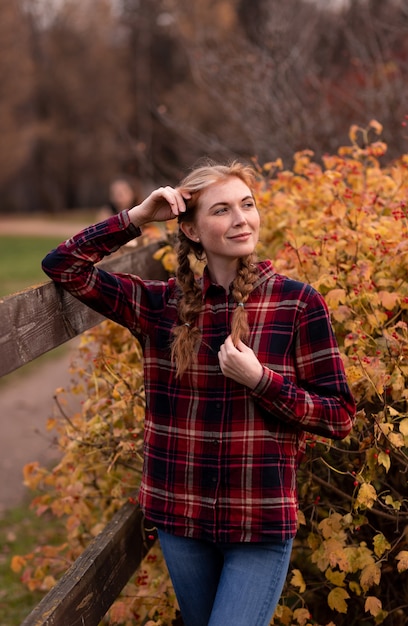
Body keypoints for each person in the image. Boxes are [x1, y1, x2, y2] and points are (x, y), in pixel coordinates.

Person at [42, 161, 356, 626]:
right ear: (189, 228)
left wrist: (261, 380)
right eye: (222, 210)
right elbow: (63, 266)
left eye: (247, 206)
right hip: (181, 517)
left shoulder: (296, 303)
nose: (241, 220)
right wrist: (137, 217)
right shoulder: (159, 305)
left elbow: (339, 416)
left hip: (258, 521)